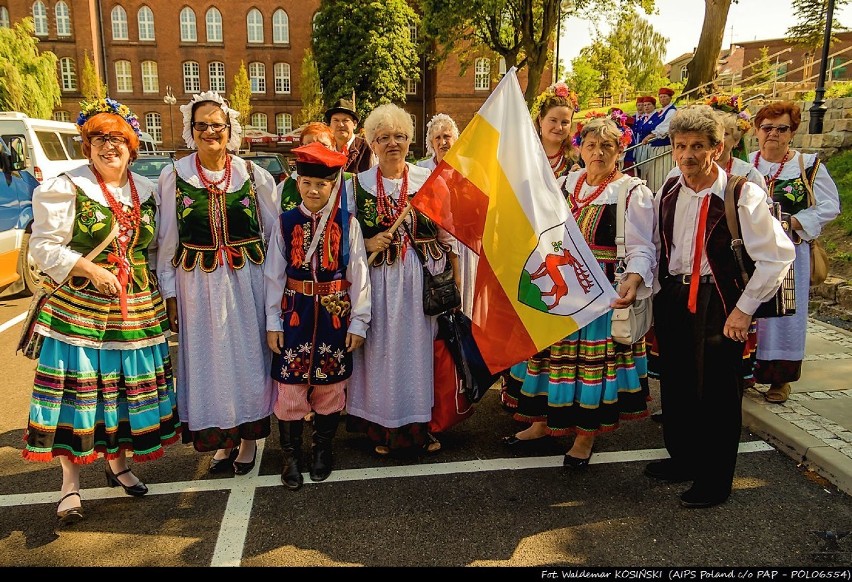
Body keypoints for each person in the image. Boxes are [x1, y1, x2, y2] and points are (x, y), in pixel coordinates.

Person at [23, 97, 181, 526]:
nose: (108, 147)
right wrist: (89, 268)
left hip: (137, 310)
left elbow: (156, 249)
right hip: (82, 313)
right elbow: (43, 246)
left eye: (117, 139)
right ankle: (69, 486)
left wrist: (167, 298)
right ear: (87, 145)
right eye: (98, 139)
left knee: (127, 392)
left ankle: (119, 465)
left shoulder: (146, 191)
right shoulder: (67, 186)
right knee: (81, 395)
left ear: (132, 146)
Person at [647, 105, 795, 508]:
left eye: (698, 146)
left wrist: (744, 309)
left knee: (717, 392)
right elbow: (657, 246)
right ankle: (683, 460)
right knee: (677, 383)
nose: (688, 154)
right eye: (681, 146)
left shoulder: (741, 193)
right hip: (675, 296)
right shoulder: (671, 188)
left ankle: (714, 481)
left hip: (719, 300)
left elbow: (778, 257)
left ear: (718, 147)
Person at [500, 116, 656, 467]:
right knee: (550, 358)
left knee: (592, 366)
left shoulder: (632, 191)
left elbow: (644, 247)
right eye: (590, 146)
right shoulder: (566, 183)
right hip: (562, 286)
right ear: (579, 149)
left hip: (601, 290)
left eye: (607, 147)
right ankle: (541, 422)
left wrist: (634, 277)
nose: (598, 153)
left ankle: (585, 437)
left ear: (620, 150)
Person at [156, 91, 280, 475]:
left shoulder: (253, 175)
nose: (210, 131)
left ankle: (247, 440)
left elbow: (273, 236)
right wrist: (170, 295)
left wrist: (277, 293)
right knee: (209, 363)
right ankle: (221, 442)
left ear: (230, 130)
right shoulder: (174, 175)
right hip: (198, 285)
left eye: (217, 125)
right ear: (191, 131)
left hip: (248, 283)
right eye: (202, 125)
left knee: (247, 360)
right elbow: (167, 241)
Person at [345, 103, 460, 457]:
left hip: (423, 282)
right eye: (383, 138)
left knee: (421, 356)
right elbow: (343, 238)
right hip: (379, 282)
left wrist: (455, 279)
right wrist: (365, 242)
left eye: (399, 136)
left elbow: (448, 234)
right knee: (380, 354)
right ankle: (382, 428)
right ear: (372, 143)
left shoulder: (429, 181)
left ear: (410, 141)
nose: (392, 143)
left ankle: (420, 428)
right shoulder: (357, 185)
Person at [265, 142, 371, 490]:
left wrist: (359, 321)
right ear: (297, 182)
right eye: (307, 181)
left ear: (334, 185)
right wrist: (272, 322)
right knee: (291, 388)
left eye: (322, 184)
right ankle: (291, 455)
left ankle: (323, 448)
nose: (314, 189)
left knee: (331, 386)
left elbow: (358, 274)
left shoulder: (347, 223)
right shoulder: (285, 223)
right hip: (295, 313)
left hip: (334, 315)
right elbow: (273, 276)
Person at [749, 101, 841, 403]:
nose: (773, 134)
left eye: (782, 128)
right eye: (767, 127)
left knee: (784, 315)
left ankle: (780, 379)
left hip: (791, 254)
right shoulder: (746, 166)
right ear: (756, 130)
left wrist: (796, 220)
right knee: (751, 313)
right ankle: (746, 371)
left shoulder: (808, 165)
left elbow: (829, 206)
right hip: (752, 253)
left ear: (793, 132)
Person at [501, 82, 580, 409]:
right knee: (523, 320)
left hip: (559, 250)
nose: (559, 127)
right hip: (524, 246)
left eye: (565, 122)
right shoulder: (524, 156)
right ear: (540, 121)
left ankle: (550, 397)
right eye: (553, 120)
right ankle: (519, 392)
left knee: (552, 324)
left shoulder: (576, 163)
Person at [415, 113, 477, 318]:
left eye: (447, 136)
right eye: (438, 138)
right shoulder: (421, 170)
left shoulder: (469, 168)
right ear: (431, 143)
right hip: (433, 244)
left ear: (455, 139)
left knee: (464, 296)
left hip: (464, 241)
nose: (443, 142)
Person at [279, 121, 337, 212]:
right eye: (309, 145)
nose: (315, 150)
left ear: (333, 147)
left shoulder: (347, 182)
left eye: (323, 145)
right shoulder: (287, 185)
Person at [641, 87, 677, 193]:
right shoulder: (662, 112)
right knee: (654, 173)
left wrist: (651, 135)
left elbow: (665, 127)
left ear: (670, 98)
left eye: (665, 97)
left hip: (664, 147)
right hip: (656, 147)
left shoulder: (671, 111)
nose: (662, 99)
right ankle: (655, 192)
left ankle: (662, 192)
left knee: (661, 172)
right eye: (660, 97)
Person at [325, 98, 375, 174]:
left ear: (354, 124)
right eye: (336, 120)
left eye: (345, 120)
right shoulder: (325, 148)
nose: (340, 125)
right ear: (330, 124)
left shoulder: (367, 148)